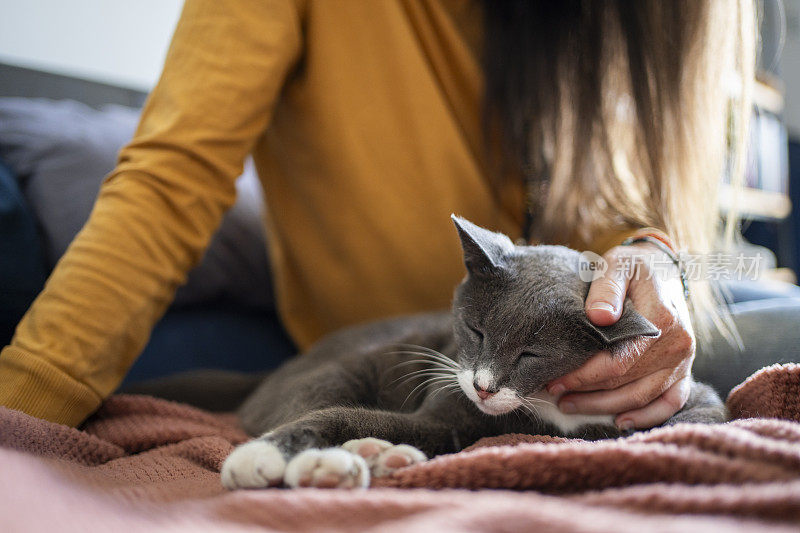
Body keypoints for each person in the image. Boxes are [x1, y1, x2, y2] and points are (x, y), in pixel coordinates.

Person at [0, 0, 787, 430]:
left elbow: (634, 215)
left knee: (775, 309)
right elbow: (170, 183)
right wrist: (19, 408)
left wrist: (656, 259)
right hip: (399, 341)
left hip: (595, 343)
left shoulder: (625, 21)